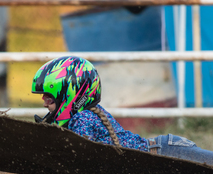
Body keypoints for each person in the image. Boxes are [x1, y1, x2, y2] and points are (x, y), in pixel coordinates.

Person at [32, 56, 213, 166]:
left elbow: (80, 158)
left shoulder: (83, 118)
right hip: (164, 150)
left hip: (167, 151)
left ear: (71, 93)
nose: (43, 102)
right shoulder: (85, 113)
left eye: (48, 97)